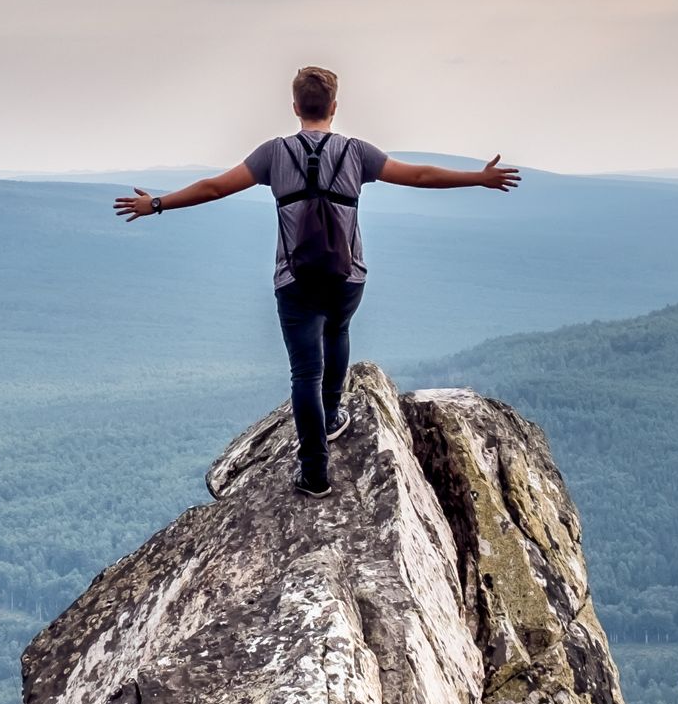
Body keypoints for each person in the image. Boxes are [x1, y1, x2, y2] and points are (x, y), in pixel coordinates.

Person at [114, 66, 520, 497]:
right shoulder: (356, 153)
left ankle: (314, 474)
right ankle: (330, 417)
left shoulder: (274, 154)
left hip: (294, 277)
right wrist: (479, 178)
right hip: (348, 276)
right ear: (334, 107)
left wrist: (155, 203)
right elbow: (420, 176)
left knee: (304, 371)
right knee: (338, 331)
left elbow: (215, 188)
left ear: (295, 107)